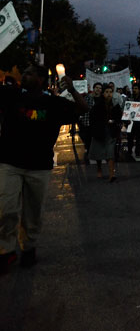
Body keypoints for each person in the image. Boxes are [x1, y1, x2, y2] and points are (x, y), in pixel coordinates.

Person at [0, 65, 87, 275]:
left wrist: (73, 90)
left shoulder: (54, 103)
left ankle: (28, 247)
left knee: (33, 212)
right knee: (6, 209)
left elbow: (83, 109)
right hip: (9, 163)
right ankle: (6, 250)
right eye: (25, 71)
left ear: (40, 79)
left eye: (29, 72)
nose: (25, 75)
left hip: (39, 167)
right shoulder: (11, 95)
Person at [88, 84, 123, 181]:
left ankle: (112, 174)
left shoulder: (115, 105)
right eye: (106, 92)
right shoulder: (98, 105)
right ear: (103, 93)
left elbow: (119, 116)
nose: (109, 94)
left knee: (110, 152)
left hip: (111, 132)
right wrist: (103, 122)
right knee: (99, 152)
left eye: (110, 92)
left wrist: (117, 121)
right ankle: (99, 168)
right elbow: (93, 118)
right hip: (100, 131)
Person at [127, 84, 140, 158]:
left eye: (136, 88)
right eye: (133, 88)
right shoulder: (129, 97)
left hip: (139, 122)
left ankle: (137, 152)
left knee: (139, 138)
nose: (134, 90)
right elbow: (125, 107)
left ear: (139, 89)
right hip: (130, 121)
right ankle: (129, 151)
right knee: (130, 138)